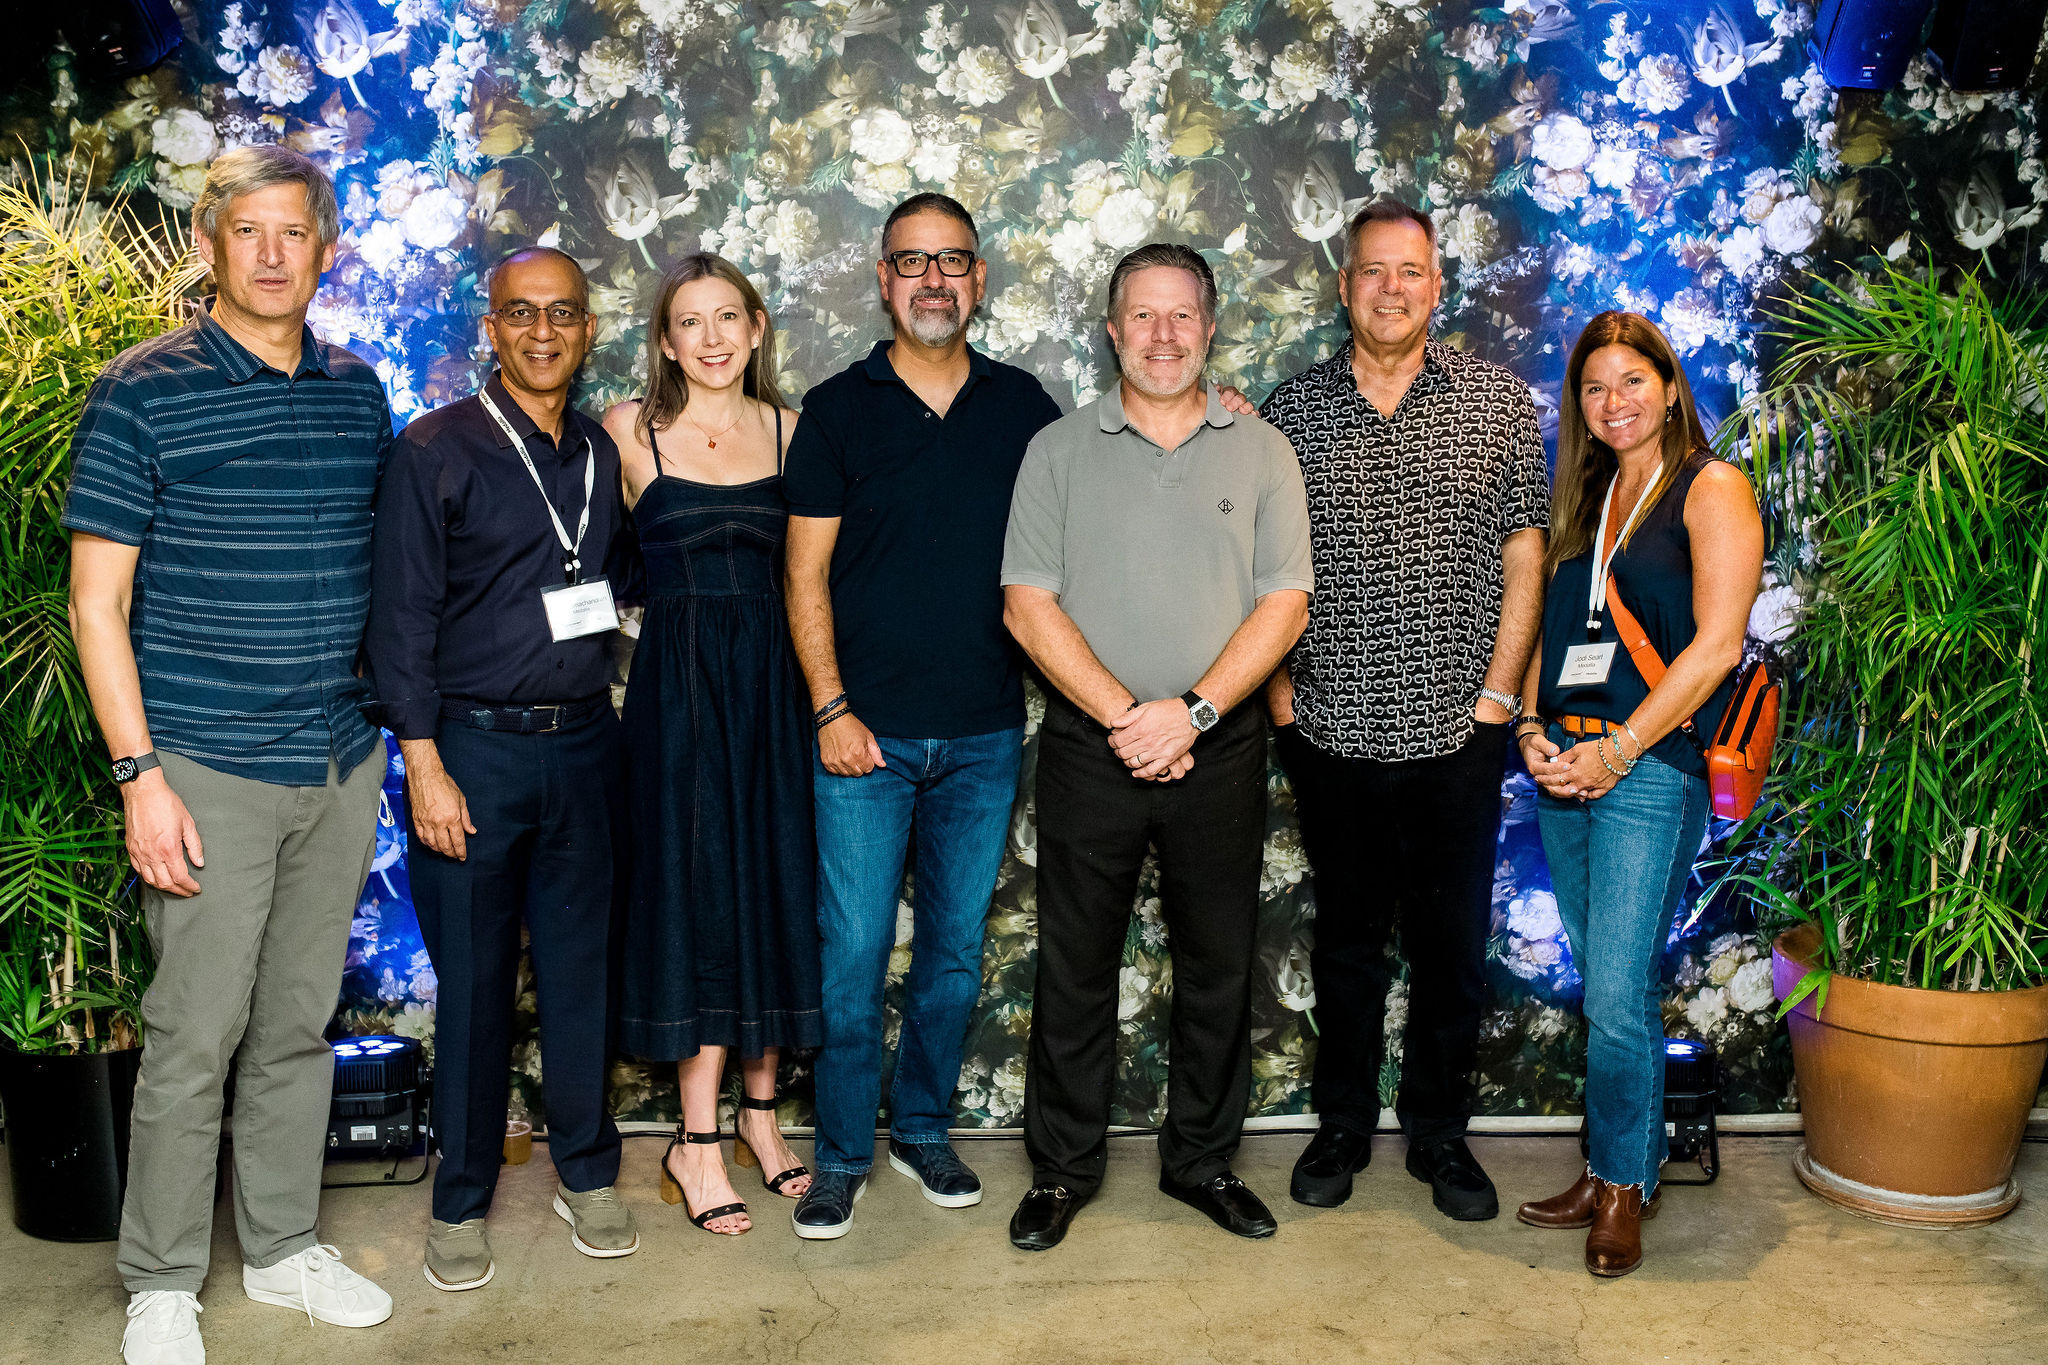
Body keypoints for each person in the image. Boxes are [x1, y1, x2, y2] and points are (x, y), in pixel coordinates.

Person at [65, 145, 395, 1365]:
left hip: (337, 760)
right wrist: (137, 775)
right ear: (210, 246)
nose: (270, 254)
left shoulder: (358, 391)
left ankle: (279, 1246)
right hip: (200, 763)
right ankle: (160, 1277)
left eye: (292, 233)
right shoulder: (141, 391)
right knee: (195, 1030)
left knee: (298, 1025)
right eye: (245, 232)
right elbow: (96, 603)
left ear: (324, 249)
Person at [1001, 243, 1314, 1251]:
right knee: (1074, 965)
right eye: (1143, 316)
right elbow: (1024, 603)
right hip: (1090, 751)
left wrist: (1190, 713)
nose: (1163, 335)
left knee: (1218, 966)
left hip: (1214, 749)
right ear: (1111, 329)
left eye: (1181, 316)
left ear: (1209, 327)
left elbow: (1285, 601)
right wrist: (1126, 719)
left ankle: (1201, 1164)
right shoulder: (1056, 450)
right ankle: (1060, 1172)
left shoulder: (1259, 452)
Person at [1258, 200, 1550, 1222]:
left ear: (1438, 288)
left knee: (1449, 947)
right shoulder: (1288, 411)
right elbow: (1263, 567)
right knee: (1343, 943)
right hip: (1329, 728)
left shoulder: (1499, 405)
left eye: (1411, 272)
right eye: (1372, 271)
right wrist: (1282, 698)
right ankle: (1340, 1125)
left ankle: (1438, 1135)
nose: (1391, 288)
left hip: (1456, 730)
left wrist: (1498, 696)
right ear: (1343, 287)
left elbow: (1524, 553)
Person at [782, 192, 1063, 1239]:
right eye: (911, 262)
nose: (932, 280)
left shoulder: (1025, 408)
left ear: (978, 279)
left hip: (985, 733)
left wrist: (1228, 416)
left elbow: (1105, 498)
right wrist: (831, 707)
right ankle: (843, 1156)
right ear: (884, 280)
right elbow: (803, 575)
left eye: (951, 261)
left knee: (950, 957)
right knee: (851, 957)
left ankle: (924, 1132)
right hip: (864, 734)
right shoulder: (837, 408)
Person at [366, 246, 641, 1291]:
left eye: (561, 314)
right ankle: (461, 1197)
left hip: (583, 746)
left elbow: (611, 583)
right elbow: (399, 623)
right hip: (468, 753)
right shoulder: (433, 449)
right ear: (491, 325)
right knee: (475, 988)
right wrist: (424, 766)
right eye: (520, 313)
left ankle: (587, 1170)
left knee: (581, 977)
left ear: (585, 327)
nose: (540, 332)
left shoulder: (602, 451)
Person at [1513, 311, 1761, 1276]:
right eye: (1593, 387)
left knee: (1620, 988)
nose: (1612, 402)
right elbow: (1546, 629)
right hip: (1562, 768)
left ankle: (1624, 1186)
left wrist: (1617, 750)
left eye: (1631, 381)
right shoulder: (1585, 493)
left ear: (1668, 384)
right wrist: (1533, 729)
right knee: (1600, 986)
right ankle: (1606, 1162)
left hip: (1647, 771)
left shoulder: (1711, 487)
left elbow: (1716, 647)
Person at [601, 253, 821, 1237]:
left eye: (727, 316)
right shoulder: (626, 431)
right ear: (663, 340)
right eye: (689, 322)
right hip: (677, 696)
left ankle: (761, 1124)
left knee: (773, 884)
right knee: (698, 892)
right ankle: (694, 1144)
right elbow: (569, 553)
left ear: (758, 327)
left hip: (774, 688)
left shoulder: (796, 431)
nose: (712, 337)